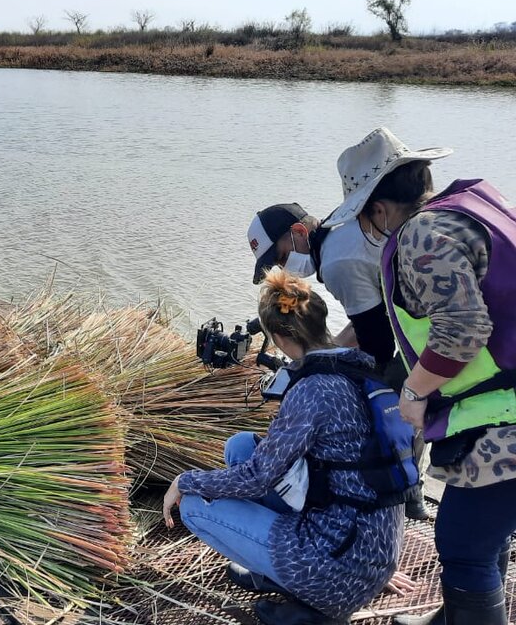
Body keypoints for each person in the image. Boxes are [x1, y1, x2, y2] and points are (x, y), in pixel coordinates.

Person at [334, 126, 516, 625]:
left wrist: (414, 391)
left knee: (463, 545)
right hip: (501, 406)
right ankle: (454, 616)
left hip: (504, 414)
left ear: (378, 208)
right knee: (483, 532)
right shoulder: (476, 207)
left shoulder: (418, 234)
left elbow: (463, 328)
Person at [163, 267, 405, 625]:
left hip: (336, 568)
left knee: (196, 507)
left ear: (276, 335)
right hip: (369, 544)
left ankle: (310, 599)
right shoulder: (356, 365)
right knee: (242, 446)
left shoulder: (313, 390)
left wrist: (185, 482)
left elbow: (258, 478)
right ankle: (277, 571)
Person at [247, 202, 432, 520]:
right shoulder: (339, 231)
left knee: (383, 407)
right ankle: (409, 495)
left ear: (299, 232)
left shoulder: (336, 262)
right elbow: (373, 319)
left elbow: (376, 345)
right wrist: (326, 351)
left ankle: (395, 500)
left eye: (279, 257)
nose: (284, 269)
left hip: (421, 336)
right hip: (419, 327)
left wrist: (324, 371)